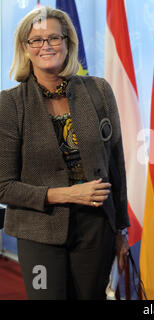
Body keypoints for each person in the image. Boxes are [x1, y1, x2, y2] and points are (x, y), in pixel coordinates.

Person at [0, 7, 129, 300]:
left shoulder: (98, 91)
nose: (46, 46)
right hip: (38, 232)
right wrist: (68, 194)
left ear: (68, 42)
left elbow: (115, 165)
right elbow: (4, 186)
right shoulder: (10, 104)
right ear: (25, 48)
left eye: (54, 38)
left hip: (97, 229)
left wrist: (121, 229)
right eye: (36, 40)